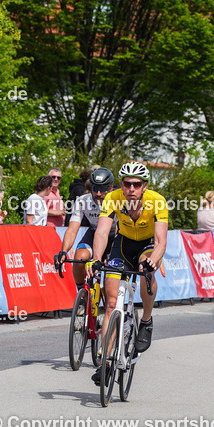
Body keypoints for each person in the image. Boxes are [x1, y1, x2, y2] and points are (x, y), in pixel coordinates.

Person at [90, 161, 168, 385]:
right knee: (111, 304)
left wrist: (153, 261)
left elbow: (161, 241)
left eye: (136, 184)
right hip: (123, 244)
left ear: (144, 186)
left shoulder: (157, 201)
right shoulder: (112, 198)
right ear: (121, 185)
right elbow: (102, 231)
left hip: (148, 245)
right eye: (126, 184)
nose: (131, 189)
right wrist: (97, 258)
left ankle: (146, 320)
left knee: (146, 271)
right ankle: (105, 363)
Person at [55, 167, 116, 292]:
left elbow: (120, 229)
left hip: (114, 236)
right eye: (95, 188)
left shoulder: (118, 201)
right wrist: (64, 251)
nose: (98, 193)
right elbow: (72, 229)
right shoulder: (83, 201)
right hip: (94, 232)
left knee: (110, 275)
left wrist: (111, 253)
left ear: (110, 189)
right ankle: (82, 292)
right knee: (79, 259)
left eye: (103, 189)